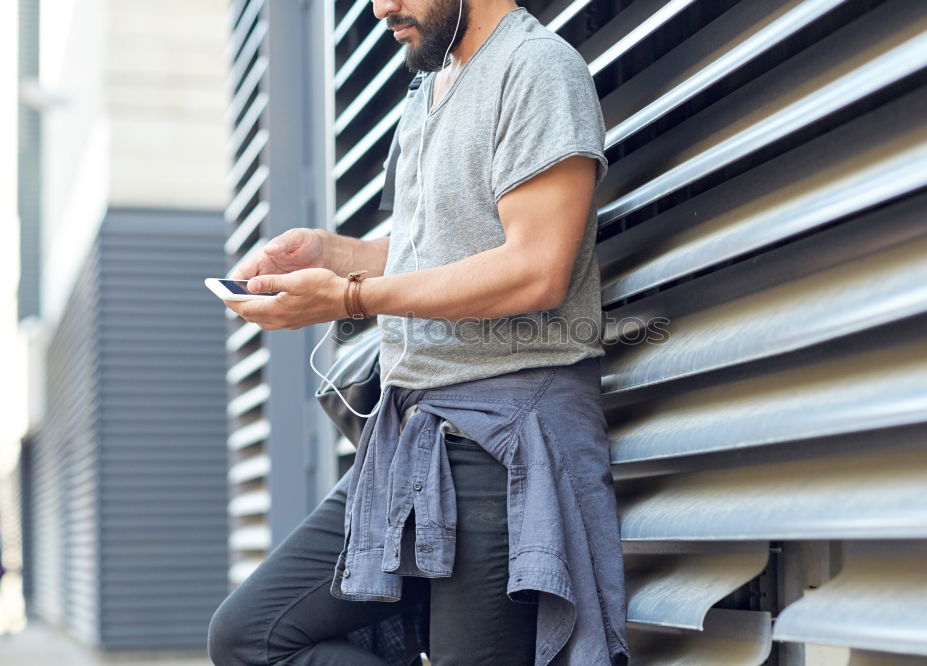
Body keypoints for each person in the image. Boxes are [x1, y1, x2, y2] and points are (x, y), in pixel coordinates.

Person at [207, 0, 629, 664]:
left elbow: (534, 269)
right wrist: (328, 253)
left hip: (503, 440)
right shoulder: (426, 90)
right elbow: (429, 254)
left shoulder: (536, 68)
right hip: (413, 437)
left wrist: (350, 298)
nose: (380, 7)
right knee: (251, 636)